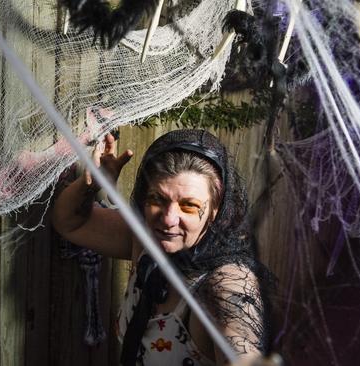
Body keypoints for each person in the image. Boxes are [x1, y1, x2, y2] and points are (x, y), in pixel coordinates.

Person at [52, 129, 273, 366]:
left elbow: (244, 351)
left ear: (215, 208)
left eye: (188, 205)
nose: (168, 219)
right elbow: (71, 223)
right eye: (157, 199)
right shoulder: (146, 241)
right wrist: (90, 186)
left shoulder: (226, 282)